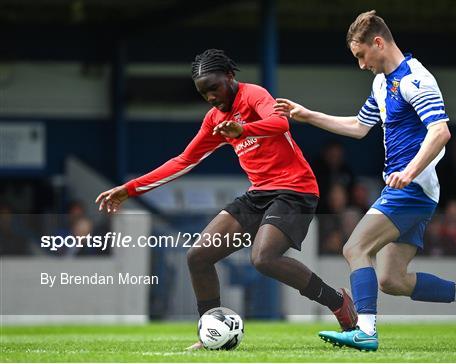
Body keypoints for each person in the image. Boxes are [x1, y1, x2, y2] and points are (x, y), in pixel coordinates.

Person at [95, 49, 357, 349]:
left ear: (230, 77)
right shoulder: (214, 120)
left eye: (213, 87)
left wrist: (243, 128)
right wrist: (130, 189)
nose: (210, 96)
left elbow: (281, 123)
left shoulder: (254, 94)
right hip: (258, 193)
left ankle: (337, 302)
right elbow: (183, 161)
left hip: (295, 190)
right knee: (198, 256)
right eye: (203, 92)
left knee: (263, 258)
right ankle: (211, 334)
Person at [274, 11, 456, 351]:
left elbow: (440, 131)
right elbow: (360, 127)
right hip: (408, 189)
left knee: (354, 248)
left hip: (413, 189)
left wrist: (411, 171)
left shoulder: (416, 79)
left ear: (378, 42)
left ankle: (365, 331)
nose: (361, 64)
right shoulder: (380, 83)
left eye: (361, 55)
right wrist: (307, 115)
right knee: (392, 279)